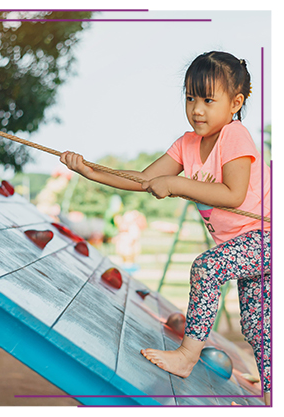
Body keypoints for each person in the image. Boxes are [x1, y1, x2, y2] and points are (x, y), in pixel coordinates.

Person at [60, 51, 271, 406]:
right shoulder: (186, 144)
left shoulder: (235, 135)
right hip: (242, 246)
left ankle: (188, 355)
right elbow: (145, 179)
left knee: (207, 268)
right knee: (259, 329)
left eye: (207, 99)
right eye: (190, 98)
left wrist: (178, 185)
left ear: (235, 103)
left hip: (265, 238)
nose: (197, 109)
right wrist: (90, 172)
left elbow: (233, 195)